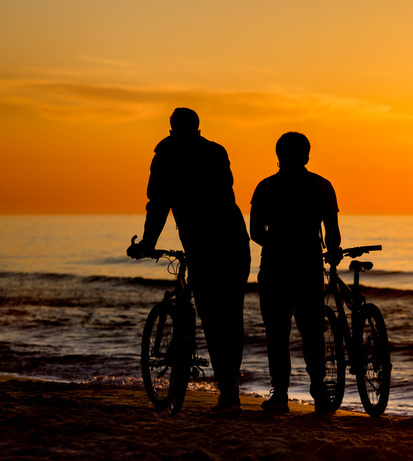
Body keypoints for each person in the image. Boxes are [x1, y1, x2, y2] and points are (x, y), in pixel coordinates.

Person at [127, 107, 250, 416]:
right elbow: (225, 194)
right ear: (198, 127)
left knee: (211, 315)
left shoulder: (166, 153)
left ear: (172, 128)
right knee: (232, 315)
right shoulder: (216, 151)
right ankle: (230, 388)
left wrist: (147, 245)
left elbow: (158, 204)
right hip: (234, 237)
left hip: (202, 241)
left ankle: (229, 394)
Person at [250, 132, 341, 414]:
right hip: (308, 266)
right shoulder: (322, 186)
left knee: (277, 332)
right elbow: (333, 234)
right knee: (312, 331)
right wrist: (332, 251)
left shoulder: (265, 187)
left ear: (278, 156)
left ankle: (280, 395)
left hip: (275, 265)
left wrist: (278, 241)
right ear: (307, 156)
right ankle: (320, 393)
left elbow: (255, 233)